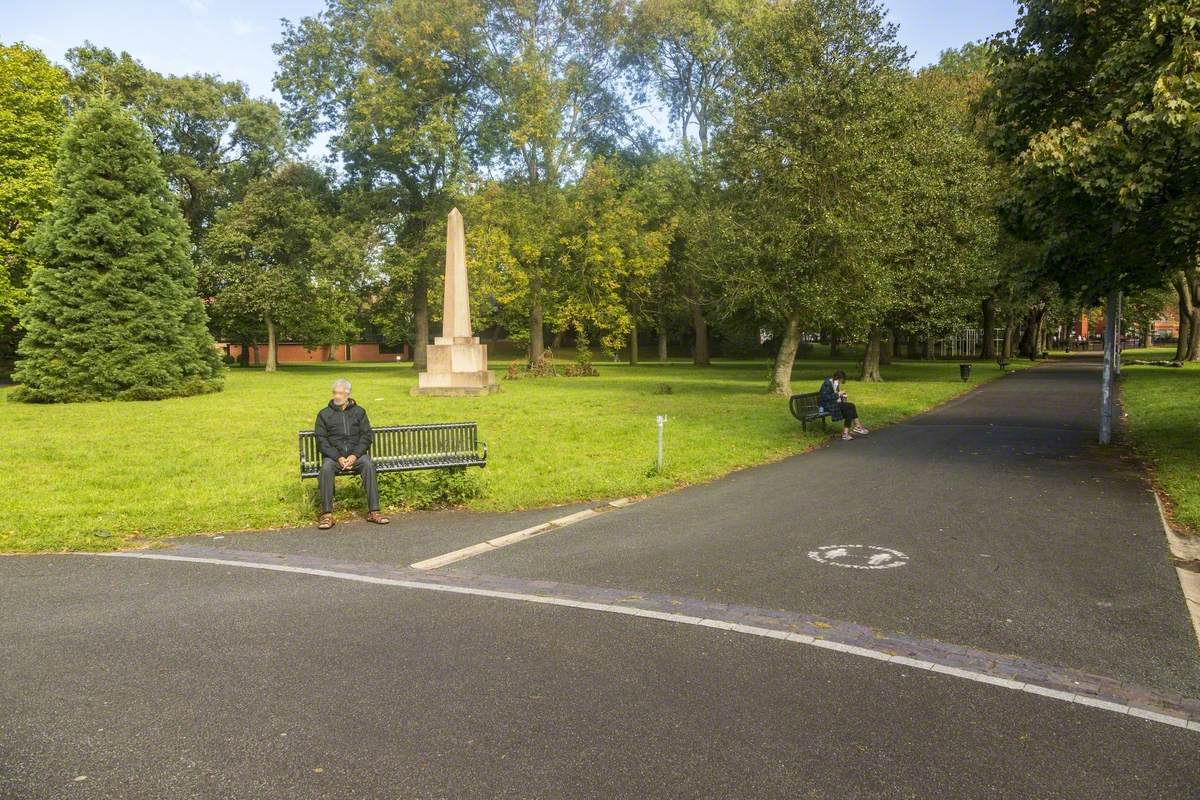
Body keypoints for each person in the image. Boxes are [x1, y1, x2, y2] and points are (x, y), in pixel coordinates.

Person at [314, 378, 389, 529]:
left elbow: (366, 436)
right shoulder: (324, 414)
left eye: (341, 393)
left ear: (348, 394)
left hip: (357, 456)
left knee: (368, 464)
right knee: (326, 468)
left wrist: (355, 455)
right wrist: (338, 457)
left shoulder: (359, 412)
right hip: (334, 458)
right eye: (335, 393)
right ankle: (327, 515)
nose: (337, 396)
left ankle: (374, 511)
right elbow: (321, 440)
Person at [818, 370, 870, 441]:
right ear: (836, 377)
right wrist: (838, 394)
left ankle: (846, 433)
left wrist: (842, 397)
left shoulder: (835, 383)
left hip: (833, 403)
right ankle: (856, 427)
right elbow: (824, 397)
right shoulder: (827, 383)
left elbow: (835, 396)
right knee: (851, 406)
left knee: (849, 409)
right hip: (826, 405)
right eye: (840, 380)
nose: (840, 382)